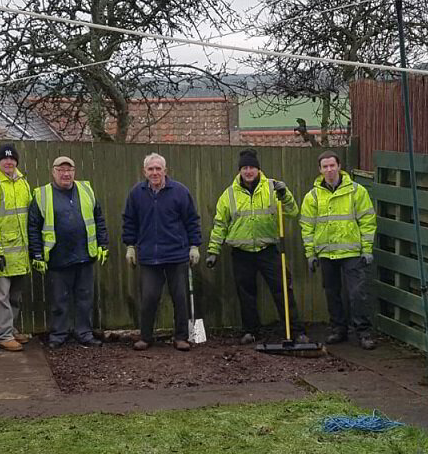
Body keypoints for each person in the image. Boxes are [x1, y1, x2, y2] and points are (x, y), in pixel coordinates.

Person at [205, 149, 309, 345]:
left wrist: (285, 194)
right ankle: (251, 331)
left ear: (258, 169)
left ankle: (296, 331)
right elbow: (220, 224)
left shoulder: (274, 188)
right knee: (246, 294)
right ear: (239, 171)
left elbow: (293, 212)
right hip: (241, 252)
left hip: (268, 249)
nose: (248, 171)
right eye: (245, 167)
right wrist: (213, 250)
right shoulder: (229, 194)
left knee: (282, 290)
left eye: (252, 167)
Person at [122, 153, 202, 352]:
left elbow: (192, 220)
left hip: (177, 254)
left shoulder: (180, 192)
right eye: (151, 169)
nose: (155, 172)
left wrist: (194, 246)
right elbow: (129, 221)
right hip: (150, 256)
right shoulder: (136, 193)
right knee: (149, 298)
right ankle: (146, 337)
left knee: (180, 298)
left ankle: (181, 337)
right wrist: (130, 246)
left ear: (165, 170)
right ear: (145, 172)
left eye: (158, 168)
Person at [27, 156, 109, 349]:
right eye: (61, 170)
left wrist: (103, 244)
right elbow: (33, 227)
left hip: (85, 254)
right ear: (53, 172)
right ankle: (58, 334)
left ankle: (84, 333)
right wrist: (37, 254)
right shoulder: (42, 195)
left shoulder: (86, 190)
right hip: (57, 256)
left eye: (69, 170)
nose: (66, 174)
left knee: (85, 298)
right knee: (59, 299)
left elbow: (99, 219)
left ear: (74, 172)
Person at [300, 150, 379, 350]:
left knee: (357, 294)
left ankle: (363, 332)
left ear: (339, 166)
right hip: (326, 253)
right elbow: (307, 227)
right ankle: (338, 329)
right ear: (320, 170)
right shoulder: (313, 197)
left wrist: (367, 249)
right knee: (332, 293)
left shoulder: (357, 191)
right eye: (325, 167)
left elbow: (367, 221)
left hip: (352, 252)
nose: (329, 170)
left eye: (332, 165)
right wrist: (311, 253)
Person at [0, 144, 33, 352]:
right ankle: (2, 335)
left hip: (20, 252)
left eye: (12, 160)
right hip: (1, 252)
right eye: (5, 160)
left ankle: (10, 329)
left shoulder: (22, 184)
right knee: (1, 296)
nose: (9, 162)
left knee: (14, 296)